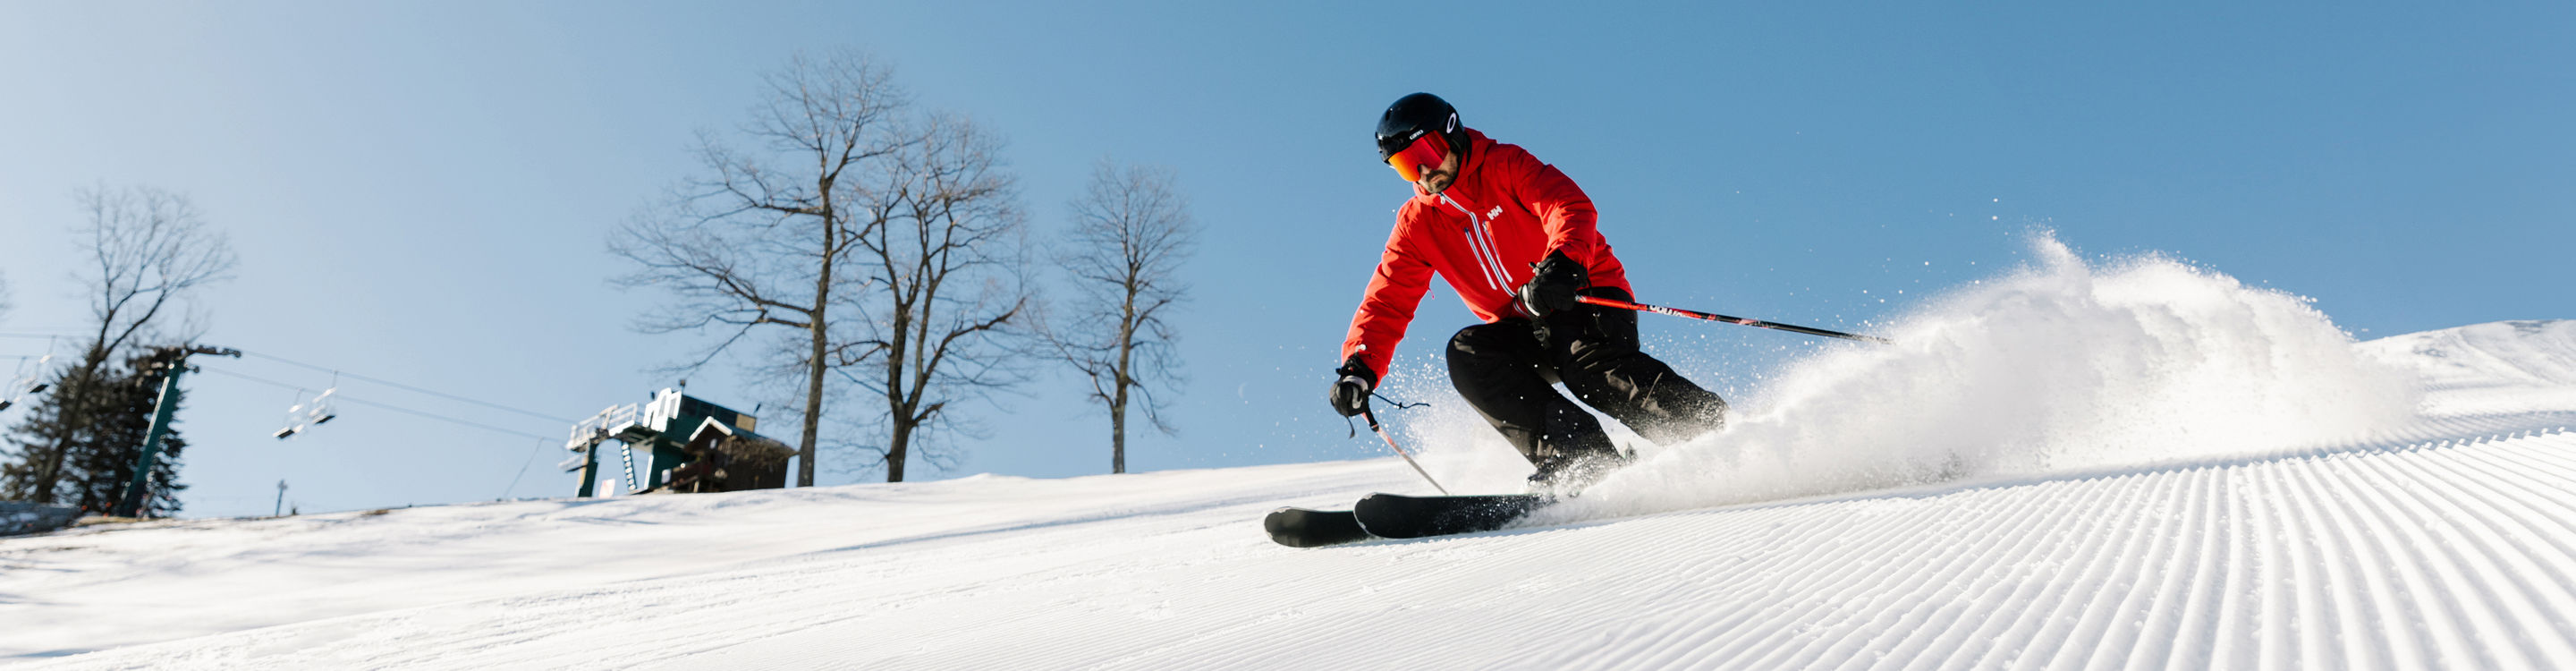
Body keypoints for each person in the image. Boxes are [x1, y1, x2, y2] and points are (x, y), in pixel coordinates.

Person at [1328, 92, 1727, 493]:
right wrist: (1359, 368)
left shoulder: (1505, 165)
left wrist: (1563, 262)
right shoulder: (1417, 224)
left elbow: (1567, 205)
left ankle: (1715, 434)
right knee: (1469, 355)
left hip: (1582, 294)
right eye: (1404, 166)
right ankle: (1581, 460)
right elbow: (1388, 298)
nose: (1423, 173)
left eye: (1426, 153)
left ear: (1452, 134)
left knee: (1586, 367)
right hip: (1525, 326)